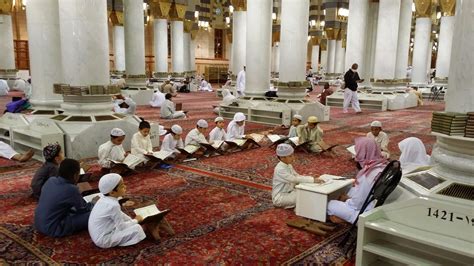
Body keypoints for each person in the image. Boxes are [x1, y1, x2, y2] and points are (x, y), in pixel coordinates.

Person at [327, 137, 387, 223]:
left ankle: (345, 220)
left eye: (358, 152)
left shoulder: (368, 175)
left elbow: (357, 204)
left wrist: (346, 200)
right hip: (377, 205)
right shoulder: (383, 165)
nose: (356, 156)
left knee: (330, 204)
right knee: (350, 190)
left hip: (365, 214)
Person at [34, 159, 94, 237]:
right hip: (54, 228)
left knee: (72, 209)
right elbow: (84, 209)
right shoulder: (71, 189)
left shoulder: (51, 180)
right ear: (75, 175)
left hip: (38, 224)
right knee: (93, 214)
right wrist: (94, 202)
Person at [88, 173, 146, 248]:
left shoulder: (104, 198)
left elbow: (120, 214)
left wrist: (131, 220)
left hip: (100, 234)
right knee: (137, 229)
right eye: (122, 186)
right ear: (112, 192)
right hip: (104, 240)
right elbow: (122, 227)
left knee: (131, 223)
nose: (125, 187)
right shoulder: (113, 205)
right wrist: (136, 220)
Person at [272, 144, 323, 208]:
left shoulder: (288, 165)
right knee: (306, 197)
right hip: (280, 197)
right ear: (282, 158)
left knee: (308, 192)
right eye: (290, 156)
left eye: (293, 155)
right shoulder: (280, 169)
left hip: (291, 191)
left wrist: (311, 177)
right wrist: (312, 180)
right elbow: (294, 179)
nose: (293, 157)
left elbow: (297, 176)